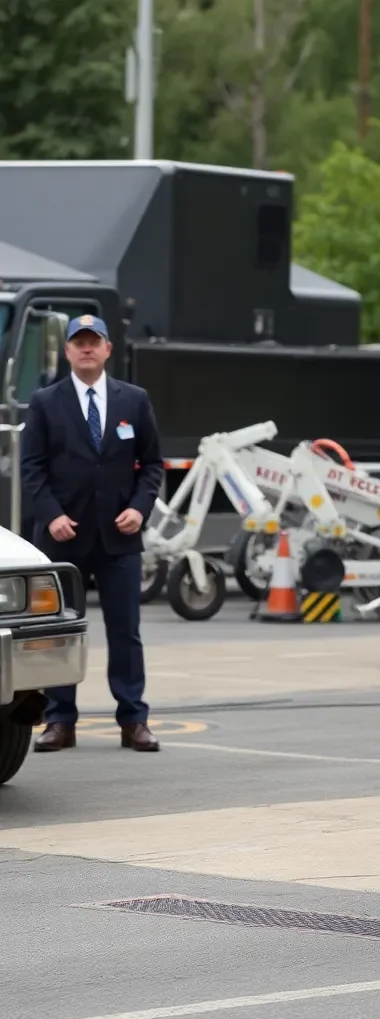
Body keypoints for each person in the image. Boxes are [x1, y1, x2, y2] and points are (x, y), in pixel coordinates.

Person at [22, 314, 164, 753]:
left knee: (126, 632)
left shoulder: (134, 401)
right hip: (62, 539)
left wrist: (140, 510)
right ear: (67, 351)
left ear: (107, 349)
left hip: (119, 539)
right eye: (78, 342)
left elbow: (153, 466)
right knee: (59, 633)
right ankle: (59, 721)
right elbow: (32, 469)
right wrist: (51, 516)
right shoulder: (45, 402)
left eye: (93, 341)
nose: (86, 348)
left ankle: (133, 720)